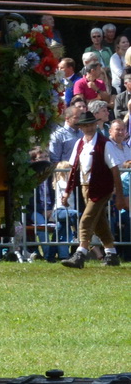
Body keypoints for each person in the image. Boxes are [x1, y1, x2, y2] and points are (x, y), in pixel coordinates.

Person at [58, 106, 131, 267]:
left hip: (101, 188)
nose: (89, 128)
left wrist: (119, 196)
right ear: (81, 127)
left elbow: (114, 170)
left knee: (86, 220)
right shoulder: (79, 143)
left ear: (95, 125)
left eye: (91, 124)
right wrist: (66, 193)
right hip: (85, 187)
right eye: (85, 125)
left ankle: (80, 255)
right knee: (100, 223)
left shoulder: (105, 143)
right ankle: (111, 255)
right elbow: (73, 168)